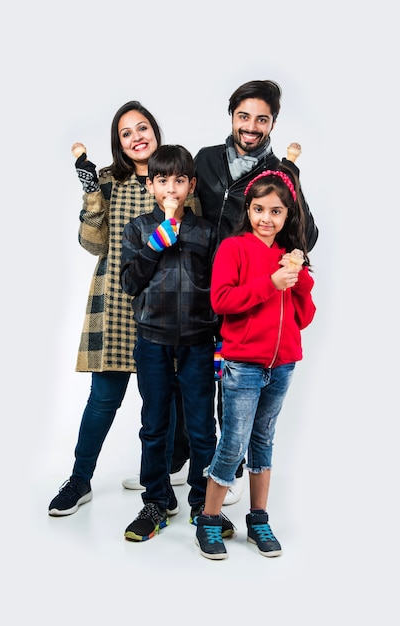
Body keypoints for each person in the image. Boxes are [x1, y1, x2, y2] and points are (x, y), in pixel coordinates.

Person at [48, 102, 189, 517]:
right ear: (119, 143)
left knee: (166, 403)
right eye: (126, 133)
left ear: (155, 131)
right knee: (102, 400)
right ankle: (80, 478)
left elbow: (195, 241)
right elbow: (93, 244)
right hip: (115, 304)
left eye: (142, 127)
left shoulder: (178, 177)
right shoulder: (108, 182)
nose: (136, 137)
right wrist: (92, 193)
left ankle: (161, 481)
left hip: (167, 308)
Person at [195, 79, 318, 505]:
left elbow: (306, 233)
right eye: (243, 116)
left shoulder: (277, 175)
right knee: (190, 382)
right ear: (232, 116)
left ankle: (228, 474)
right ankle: (190, 464)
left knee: (238, 403)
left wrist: (292, 183)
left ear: (272, 123)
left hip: (251, 303)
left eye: (261, 119)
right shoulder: (207, 160)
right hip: (205, 291)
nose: (250, 126)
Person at [194, 166, 316, 560]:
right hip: (243, 364)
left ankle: (258, 519)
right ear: (248, 210)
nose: (267, 218)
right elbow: (221, 301)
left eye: (276, 211)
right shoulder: (234, 248)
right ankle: (209, 520)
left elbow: (303, 317)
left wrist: (300, 282)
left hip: (282, 365)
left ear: (287, 216)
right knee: (232, 444)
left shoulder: (287, 255)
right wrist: (270, 284)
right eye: (259, 209)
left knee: (264, 443)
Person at [120, 145, 234, 542]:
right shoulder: (138, 228)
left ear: (191, 185)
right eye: (163, 180)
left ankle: (204, 503)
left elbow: (219, 291)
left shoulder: (206, 232)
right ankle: (156, 500)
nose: (172, 188)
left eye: (180, 180)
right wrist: (154, 246)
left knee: (203, 428)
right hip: (152, 341)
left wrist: (219, 345)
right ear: (150, 185)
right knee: (154, 425)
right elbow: (129, 284)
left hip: (199, 343)